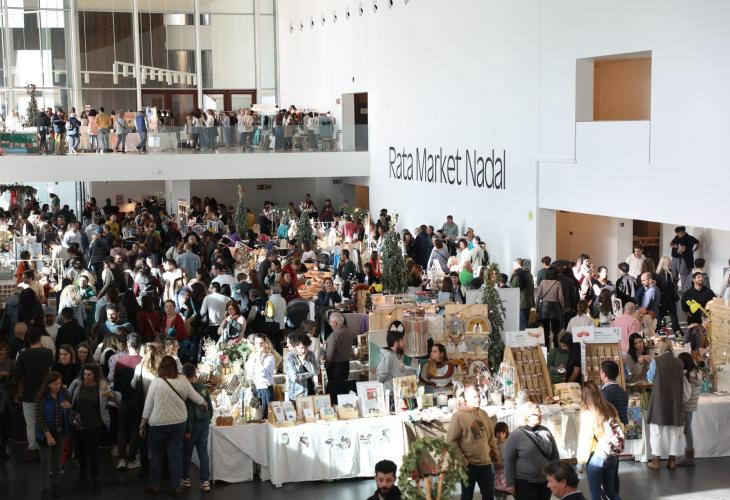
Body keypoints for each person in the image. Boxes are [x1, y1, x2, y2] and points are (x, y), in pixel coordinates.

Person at [139, 356, 207, 495]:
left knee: (156, 455)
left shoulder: (156, 382)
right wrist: (204, 402)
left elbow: (148, 406)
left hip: (158, 424)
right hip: (178, 423)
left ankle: (155, 485)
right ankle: (175, 486)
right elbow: (194, 395)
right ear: (175, 367)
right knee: (175, 454)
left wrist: (142, 423)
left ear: (161, 367)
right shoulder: (182, 379)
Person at [68, 363, 119, 491]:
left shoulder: (102, 385)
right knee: (80, 450)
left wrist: (112, 395)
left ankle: (95, 477)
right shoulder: (77, 384)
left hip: (94, 424)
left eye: (89, 375)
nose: (86, 377)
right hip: (78, 423)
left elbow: (116, 399)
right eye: (85, 374)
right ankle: (83, 471)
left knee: (94, 451)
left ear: (95, 375)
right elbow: (69, 397)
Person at [447, 379, 500, 500]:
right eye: (475, 397)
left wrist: (495, 455)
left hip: (485, 463)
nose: (478, 399)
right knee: (467, 496)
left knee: (489, 495)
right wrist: (462, 459)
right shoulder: (458, 416)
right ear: (466, 398)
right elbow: (451, 441)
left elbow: (490, 438)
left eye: (479, 396)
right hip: (468, 465)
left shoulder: (484, 414)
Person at [503, 402, 560, 499]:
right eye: (537, 414)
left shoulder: (546, 431)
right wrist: (510, 484)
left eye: (541, 413)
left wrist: (556, 476)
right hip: (524, 483)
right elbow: (509, 460)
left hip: (545, 482)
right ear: (527, 416)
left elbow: (555, 456)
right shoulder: (515, 435)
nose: (541, 415)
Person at [577, 381, 622, 500]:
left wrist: (581, 461)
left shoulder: (588, 413)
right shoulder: (610, 408)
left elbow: (585, 440)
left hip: (596, 457)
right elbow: (620, 427)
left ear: (584, 395)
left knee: (595, 494)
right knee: (610, 491)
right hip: (612, 455)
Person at [14, 327, 54, 461]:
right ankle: (45, 446)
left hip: (28, 394)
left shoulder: (23, 354)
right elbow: (50, 372)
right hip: (45, 393)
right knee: (45, 421)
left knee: (30, 423)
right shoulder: (48, 353)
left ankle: (32, 449)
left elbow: (17, 376)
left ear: (27, 339)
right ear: (40, 338)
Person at [646, 338, 684, 470]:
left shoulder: (656, 361)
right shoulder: (679, 362)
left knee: (656, 430)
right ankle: (672, 460)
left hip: (659, 399)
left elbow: (650, 378)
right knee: (674, 430)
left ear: (660, 348)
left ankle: (656, 461)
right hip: (675, 399)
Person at [35, 371, 71, 500]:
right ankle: (45, 488)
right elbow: (39, 417)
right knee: (45, 461)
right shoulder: (41, 397)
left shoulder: (63, 392)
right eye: (55, 384)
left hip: (60, 432)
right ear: (48, 384)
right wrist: (48, 435)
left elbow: (70, 405)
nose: (58, 386)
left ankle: (55, 485)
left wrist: (68, 406)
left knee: (57, 460)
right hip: (45, 433)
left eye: (60, 383)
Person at [112, 333, 143, 471]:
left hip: (124, 400)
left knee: (122, 429)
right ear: (140, 345)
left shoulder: (120, 361)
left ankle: (122, 459)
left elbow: (116, 385)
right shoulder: (143, 361)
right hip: (139, 401)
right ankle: (132, 458)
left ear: (128, 344)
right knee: (135, 429)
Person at [181, 363, 213, 492]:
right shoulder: (203, 388)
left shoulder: (186, 390)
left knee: (187, 453)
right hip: (204, 424)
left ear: (184, 375)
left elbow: (189, 412)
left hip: (192, 425)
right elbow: (210, 407)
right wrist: (208, 419)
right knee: (203, 452)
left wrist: (188, 430)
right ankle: (205, 481)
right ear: (195, 374)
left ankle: (185, 479)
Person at [376, 322, 418, 394]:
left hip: (401, 393)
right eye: (402, 341)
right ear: (396, 343)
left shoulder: (399, 355)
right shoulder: (388, 355)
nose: (404, 343)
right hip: (392, 394)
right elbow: (380, 377)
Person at [681, 272, 715, 356]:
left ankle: (704, 357)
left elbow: (714, 301)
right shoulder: (688, 293)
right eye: (698, 277)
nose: (701, 279)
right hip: (693, 321)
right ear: (693, 280)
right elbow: (683, 303)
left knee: (705, 341)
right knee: (694, 342)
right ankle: (694, 356)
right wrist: (687, 312)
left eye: (702, 277)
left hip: (705, 322)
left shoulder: (708, 292)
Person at [676, 352, 701, 467]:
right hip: (692, 405)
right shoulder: (695, 372)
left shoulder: (686, 375)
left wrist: (678, 404)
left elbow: (685, 395)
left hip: (686, 406)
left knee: (687, 430)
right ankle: (689, 455)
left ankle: (689, 457)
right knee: (688, 429)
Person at [244, 333, 275, 418]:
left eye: (261, 343)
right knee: (256, 416)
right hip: (256, 389)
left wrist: (259, 357)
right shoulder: (252, 356)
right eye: (257, 343)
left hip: (266, 389)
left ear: (265, 343)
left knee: (267, 416)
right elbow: (249, 371)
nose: (259, 345)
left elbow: (262, 372)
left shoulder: (269, 357)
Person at [324, 311, 354, 396]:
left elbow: (329, 355)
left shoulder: (334, 335)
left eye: (330, 321)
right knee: (343, 389)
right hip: (346, 365)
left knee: (334, 391)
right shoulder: (349, 332)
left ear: (334, 322)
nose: (329, 324)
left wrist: (326, 365)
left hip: (335, 367)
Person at [534, 268, 564, 348]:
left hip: (544, 308)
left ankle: (546, 348)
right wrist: (562, 308)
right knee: (555, 330)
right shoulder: (558, 283)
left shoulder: (542, 282)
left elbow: (538, 296)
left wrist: (536, 308)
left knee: (545, 330)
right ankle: (556, 347)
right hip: (555, 308)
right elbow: (561, 298)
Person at [284, 333, 319, 400]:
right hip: (297, 393)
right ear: (296, 346)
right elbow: (294, 377)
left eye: (306, 348)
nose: (304, 350)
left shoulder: (310, 354)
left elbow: (316, 372)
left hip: (310, 391)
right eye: (302, 348)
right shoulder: (290, 357)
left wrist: (305, 362)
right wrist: (310, 373)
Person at [669, 226, 699, 292]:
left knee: (683, 274)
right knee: (675, 273)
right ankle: (676, 288)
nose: (677, 234)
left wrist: (693, 250)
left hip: (683, 259)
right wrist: (676, 246)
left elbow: (682, 250)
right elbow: (671, 244)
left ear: (682, 232)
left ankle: (684, 290)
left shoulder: (687, 238)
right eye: (676, 233)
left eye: (678, 233)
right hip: (677, 258)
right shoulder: (677, 237)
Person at [600, 360, 628, 425]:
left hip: (613, 428)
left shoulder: (605, 392)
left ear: (604, 374)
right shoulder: (622, 390)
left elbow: (605, 415)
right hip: (623, 426)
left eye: (601, 371)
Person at [510, 258, 536, 330]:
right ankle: (526, 334)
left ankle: (523, 335)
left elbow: (513, 290)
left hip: (520, 303)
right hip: (529, 302)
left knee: (522, 322)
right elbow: (532, 289)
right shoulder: (529, 275)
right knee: (526, 321)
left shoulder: (517, 276)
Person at [0, 342, 15, 460]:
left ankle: (3, 449)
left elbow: (15, 379)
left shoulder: (11, 363)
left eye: (5, 350)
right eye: (1, 349)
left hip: (7, 401)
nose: (3, 352)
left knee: (5, 427)